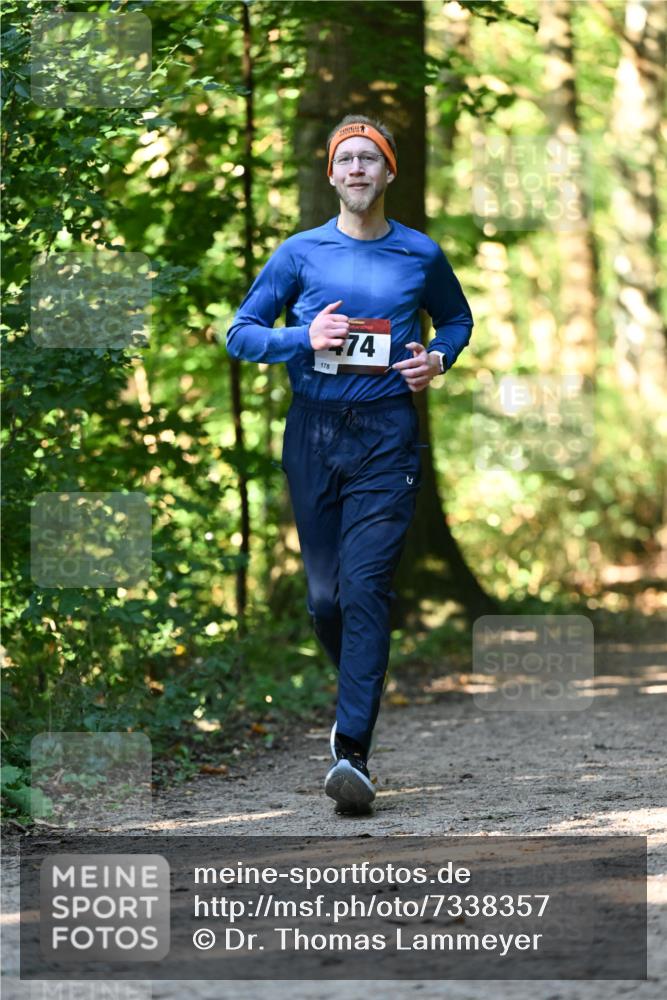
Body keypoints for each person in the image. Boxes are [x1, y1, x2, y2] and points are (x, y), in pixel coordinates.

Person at [226, 114, 474, 812]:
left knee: (365, 590)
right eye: (347, 160)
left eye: (371, 159)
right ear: (331, 175)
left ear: (389, 173)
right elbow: (239, 335)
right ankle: (357, 689)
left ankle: (352, 752)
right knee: (326, 600)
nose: (359, 169)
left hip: (386, 437)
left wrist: (436, 358)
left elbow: (455, 320)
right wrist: (305, 337)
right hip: (313, 434)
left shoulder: (419, 255)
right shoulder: (299, 254)